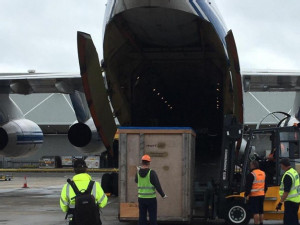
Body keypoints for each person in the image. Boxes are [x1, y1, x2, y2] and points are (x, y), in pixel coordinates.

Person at [60, 159, 107, 225]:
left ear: (74, 170)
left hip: (75, 220)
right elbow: (103, 202)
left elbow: (64, 207)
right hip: (93, 219)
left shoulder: (67, 186)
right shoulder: (95, 184)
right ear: (86, 169)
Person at [135, 154, 167, 225]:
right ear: (149, 163)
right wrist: (163, 195)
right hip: (151, 199)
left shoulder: (138, 172)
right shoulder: (151, 173)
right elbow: (157, 185)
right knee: (152, 217)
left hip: (141, 198)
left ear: (142, 162)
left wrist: (139, 171)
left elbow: (136, 181)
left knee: (142, 217)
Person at [276, 158, 300, 225]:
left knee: (288, 221)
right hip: (296, 200)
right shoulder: (294, 172)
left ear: (283, 165)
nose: (281, 166)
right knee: (294, 220)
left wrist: (280, 203)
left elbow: (286, 192)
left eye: (281, 165)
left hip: (290, 202)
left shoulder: (287, 175)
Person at [244, 160, 266, 225]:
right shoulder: (263, 173)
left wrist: (246, 194)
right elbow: (266, 186)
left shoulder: (251, 174)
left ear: (253, 165)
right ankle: (261, 223)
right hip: (262, 195)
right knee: (261, 211)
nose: (250, 166)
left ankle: (256, 223)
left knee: (255, 212)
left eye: (250, 165)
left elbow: (248, 186)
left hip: (254, 196)